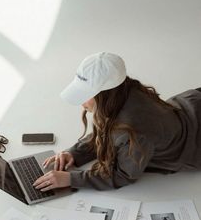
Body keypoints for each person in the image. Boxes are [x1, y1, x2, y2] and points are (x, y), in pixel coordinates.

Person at [33, 52, 201, 192]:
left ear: (105, 94)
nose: (82, 103)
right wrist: (75, 153)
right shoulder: (124, 90)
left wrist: (72, 179)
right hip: (192, 104)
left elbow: (123, 174)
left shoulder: (134, 130)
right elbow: (110, 133)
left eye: (86, 94)